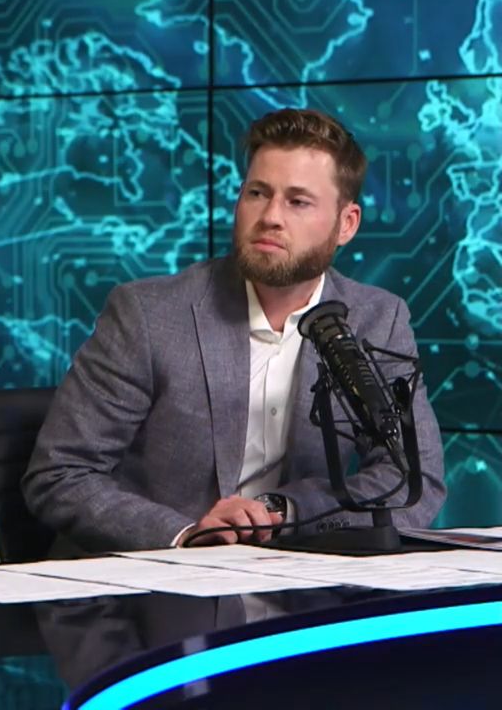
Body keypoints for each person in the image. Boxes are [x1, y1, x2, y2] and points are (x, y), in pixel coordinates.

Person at [22, 108, 446, 554]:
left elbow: (413, 477)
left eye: (298, 202)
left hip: (291, 578)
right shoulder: (147, 314)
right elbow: (60, 474)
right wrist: (187, 535)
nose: (270, 217)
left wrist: (287, 512)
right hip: (155, 576)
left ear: (347, 224)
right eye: (257, 193)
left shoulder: (377, 319)